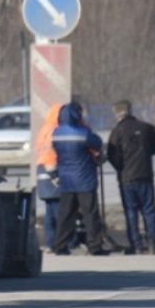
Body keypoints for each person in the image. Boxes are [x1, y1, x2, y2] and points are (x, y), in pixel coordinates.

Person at [107, 100, 155, 255]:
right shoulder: (146, 127)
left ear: (117, 113)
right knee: (149, 210)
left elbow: (112, 155)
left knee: (131, 212)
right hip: (146, 175)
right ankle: (152, 243)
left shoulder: (117, 131)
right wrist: (148, 152)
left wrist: (120, 167)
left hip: (127, 178)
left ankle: (137, 245)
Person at [51, 101, 107, 255]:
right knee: (90, 215)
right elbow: (97, 143)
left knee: (66, 216)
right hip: (84, 180)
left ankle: (60, 246)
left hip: (67, 180)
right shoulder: (83, 133)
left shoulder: (56, 134)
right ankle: (94, 246)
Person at [34, 102, 64, 251]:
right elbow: (52, 152)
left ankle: (51, 242)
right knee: (58, 211)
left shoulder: (45, 129)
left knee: (50, 211)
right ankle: (59, 242)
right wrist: (55, 175)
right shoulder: (55, 130)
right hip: (51, 170)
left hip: (42, 171)